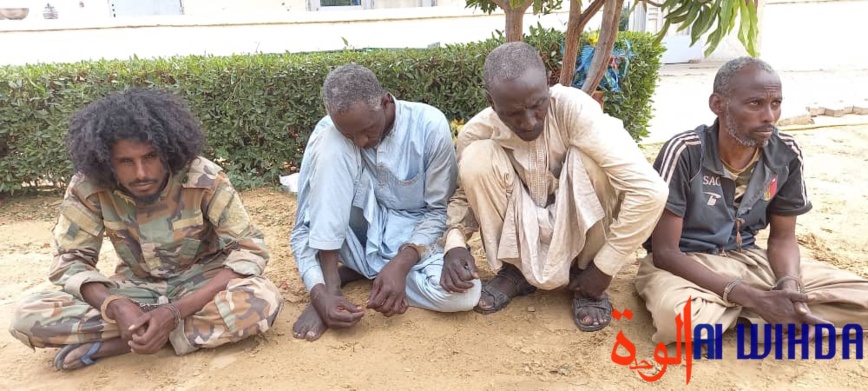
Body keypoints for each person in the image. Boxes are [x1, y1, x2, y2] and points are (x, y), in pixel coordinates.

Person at [8, 88, 284, 370]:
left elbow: (248, 250)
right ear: (106, 161)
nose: (141, 173)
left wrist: (174, 312)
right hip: (135, 291)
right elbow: (71, 260)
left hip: (201, 287)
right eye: (126, 162)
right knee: (28, 315)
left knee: (261, 299)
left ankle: (127, 342)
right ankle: (155, 331)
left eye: (151, 157)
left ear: (168, 152)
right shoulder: (88, 187)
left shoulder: (203, 177)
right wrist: (116, 306)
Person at [636, 57, 868, 344]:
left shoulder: (785, 153)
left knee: (863, 299)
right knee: (679, 321)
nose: (770, 116)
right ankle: (763, 311)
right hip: (688, 263)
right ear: (718, 105)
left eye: (776, 103)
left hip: (750, 258)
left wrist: (789, 286)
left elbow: (783, 238)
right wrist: (754, 298)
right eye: (755, 104)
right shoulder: (685, 151)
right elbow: (665, 252)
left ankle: (766, 312)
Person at [441, 42, 668, 332]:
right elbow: (464, 196)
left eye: (538, 105)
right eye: (513, 113)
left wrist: (605, 267)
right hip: (520, 226)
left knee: (592, 161)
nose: (529, 122)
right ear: (491, 102)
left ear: (548, 84)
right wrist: (455, 245)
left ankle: (586, 272)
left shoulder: (576, 110)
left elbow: (650, 191)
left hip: (584, 238)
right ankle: (515, 271)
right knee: (476, 159)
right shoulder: (478, 132)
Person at [289, 64, 480, 341]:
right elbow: (305, 226)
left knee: (464, 296)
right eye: (349, 135)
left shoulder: (429, 126)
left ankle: (365, 273)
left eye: (367, 130)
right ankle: (334, 282)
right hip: (351, 238)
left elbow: (438, 211)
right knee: (331, 142)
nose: (360, 141)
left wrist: (401, 264)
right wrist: (320, 293)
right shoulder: (330, 133)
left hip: (411, 236)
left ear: (386, 102)